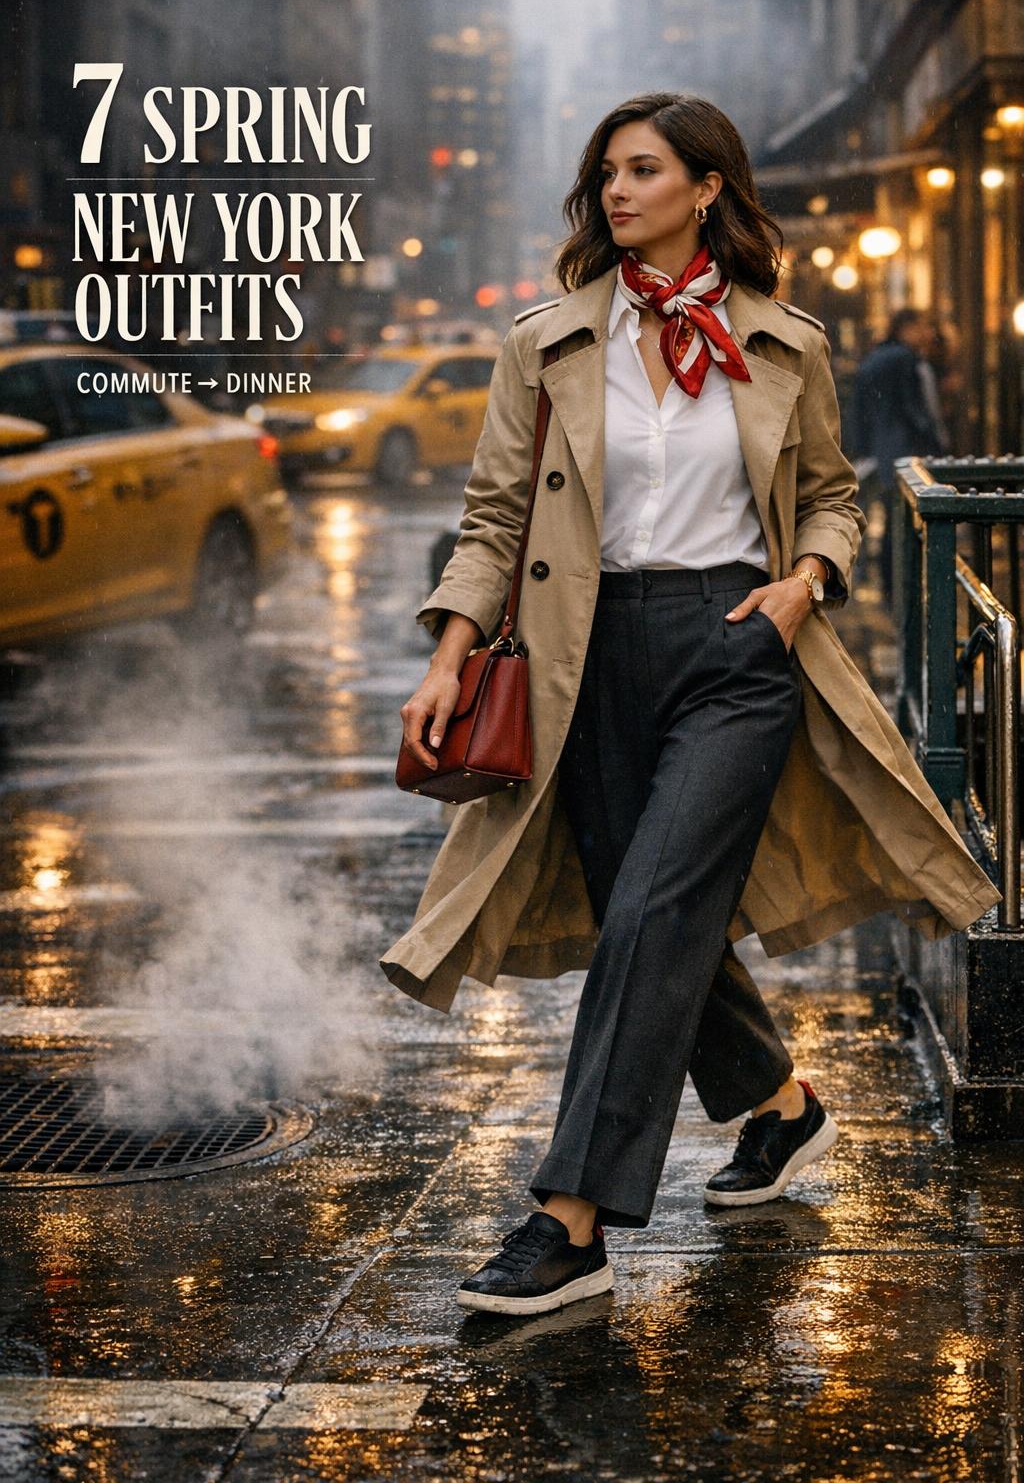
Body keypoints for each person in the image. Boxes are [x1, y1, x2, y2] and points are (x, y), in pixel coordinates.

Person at [384, 92, 1002, 1319]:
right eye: (606, 172)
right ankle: (783, 1108)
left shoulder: (786, 344)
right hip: (586, 657)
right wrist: (451, 651)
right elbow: (496, 517)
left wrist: (802, 584)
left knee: (654, 914)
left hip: (736, 646)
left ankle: (571, 1224)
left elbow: (834, 495)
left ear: (706, 188)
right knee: (643, 911)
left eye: (645, 170)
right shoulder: (548, 342)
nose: (617, 192)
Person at [850, 309, 945, 602]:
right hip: (901, 449)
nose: (926, 334)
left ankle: (886, 584)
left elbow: (861, 407)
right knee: (900, 522)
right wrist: (935, 441)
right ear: (906, 327)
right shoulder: (905, 358)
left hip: (878, 449)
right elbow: (912, 407)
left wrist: (864, 446)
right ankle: (900, 589)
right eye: (922, 327)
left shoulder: (877, 356)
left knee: (885, 518)